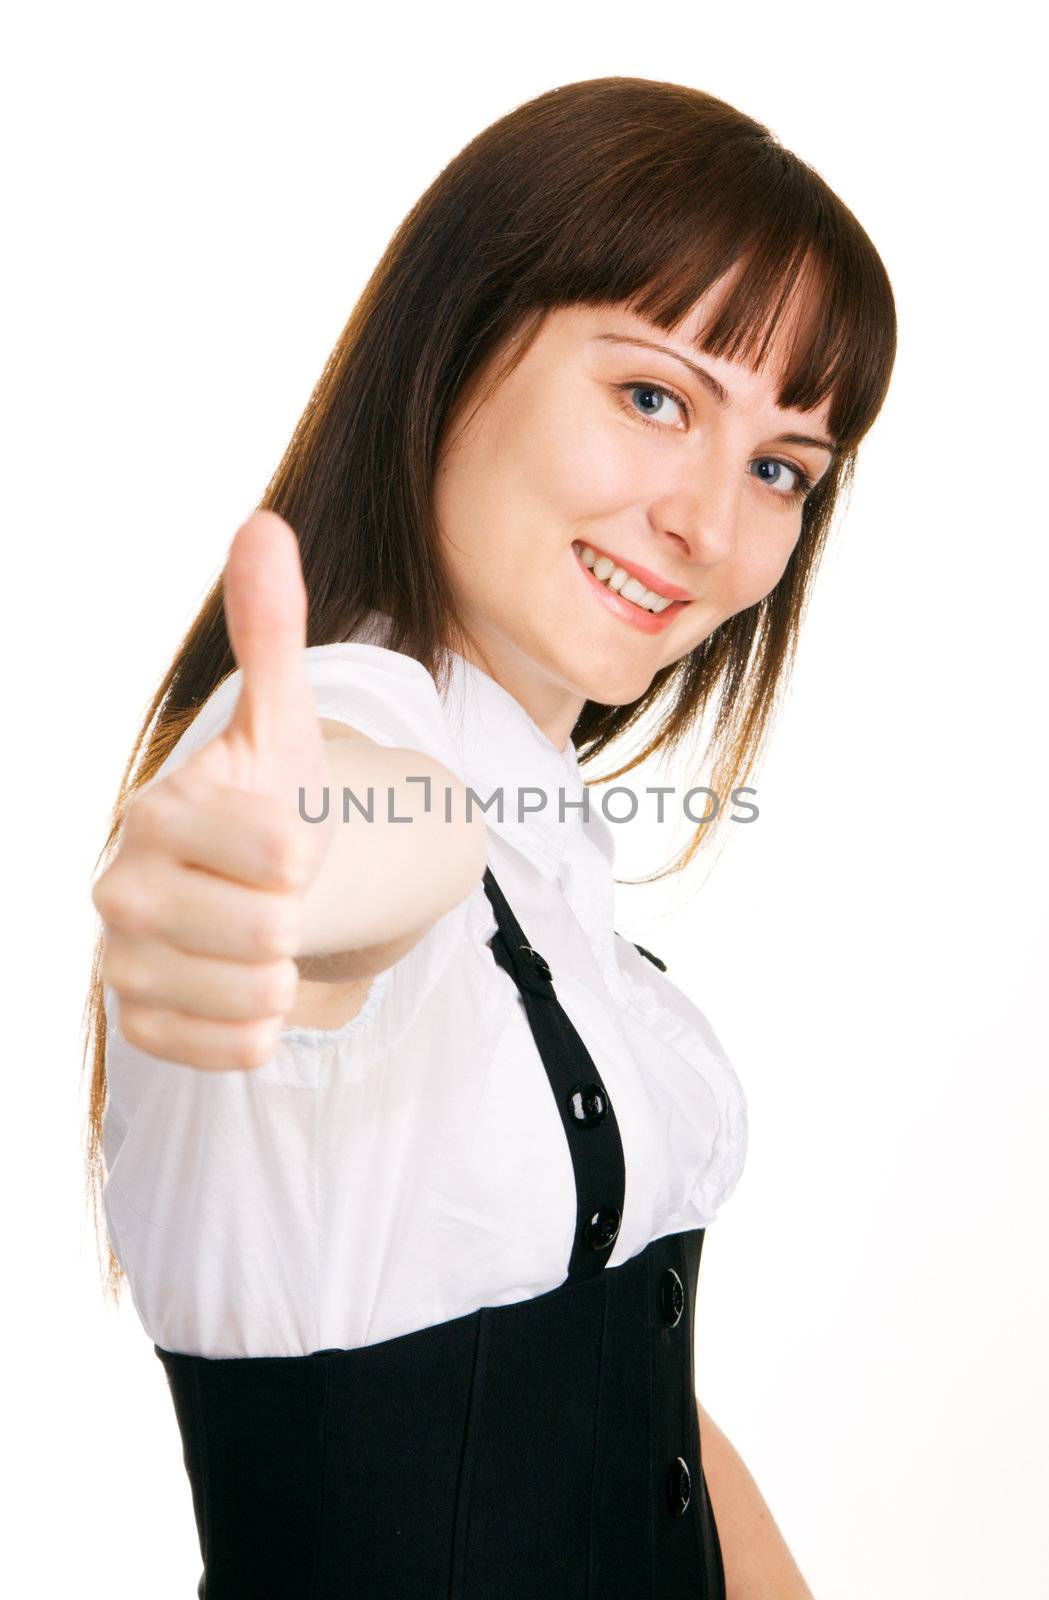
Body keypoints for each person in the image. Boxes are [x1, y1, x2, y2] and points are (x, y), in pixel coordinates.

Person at [83, 75, 896, 1599]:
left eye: (779, 467)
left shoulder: (550, 846)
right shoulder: (349, 721)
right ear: (453, 348)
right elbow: (355, 824)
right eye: (654, 396)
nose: (710, 529)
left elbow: (648, 1423)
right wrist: (257, 875)